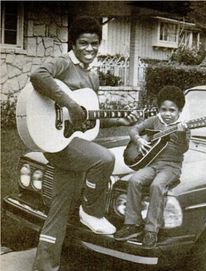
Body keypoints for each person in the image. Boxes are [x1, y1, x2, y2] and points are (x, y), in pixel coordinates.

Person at [30, 16, 139, 271]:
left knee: (57, 211)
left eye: (95, 43)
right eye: (84, 43)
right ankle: (91, 211)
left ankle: (44, 267)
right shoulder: (64, 63)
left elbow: (90, 120)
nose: (90, 49)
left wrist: (121, 120)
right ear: (74, 43)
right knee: (105, 158)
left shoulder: (93, 77)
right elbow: (38, 75)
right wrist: (69, 103)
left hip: (72, 142)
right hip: (57, 142)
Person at [114, 85, 190, 249]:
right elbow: (134, 129)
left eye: (172, 110)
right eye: (164, 109)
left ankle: (151, 230)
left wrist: (182, 133)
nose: (167, 114)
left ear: (179, 111)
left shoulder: (183, 126)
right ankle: (132, 224)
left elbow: (184, 149)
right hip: (153, 164)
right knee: (134, 180)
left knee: (157, 185)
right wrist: (139, 140)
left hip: (171, 167)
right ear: (159, 109)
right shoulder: (154, 121)